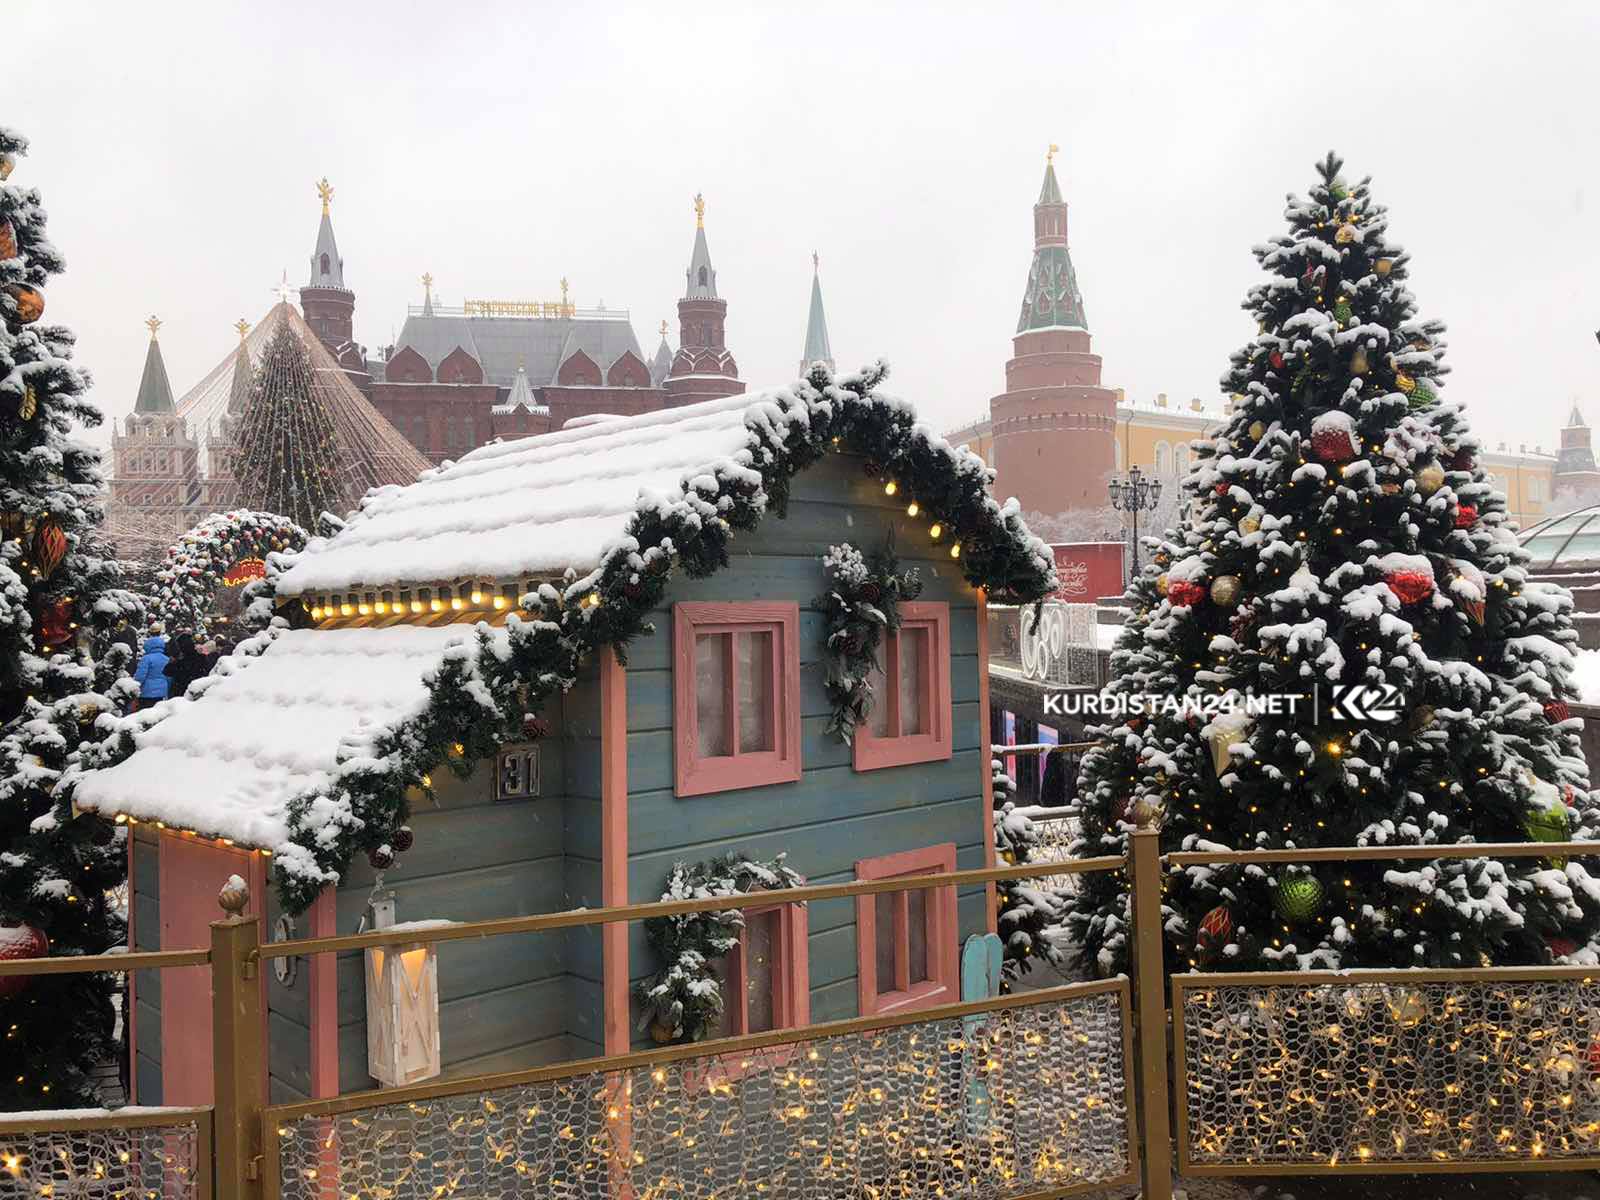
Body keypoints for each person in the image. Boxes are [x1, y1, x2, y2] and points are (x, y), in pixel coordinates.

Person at [131, 630, 171, 710]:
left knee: (145, 713)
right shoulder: (167, 659)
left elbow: (140, 676)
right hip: (162, 692)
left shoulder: (146, 658)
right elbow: (169, 677)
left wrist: (135, 688)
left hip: (146, 692)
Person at [162, 632, 205, 699]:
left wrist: (172, 661)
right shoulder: (201, 658)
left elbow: (166, 671)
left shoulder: (180, 661)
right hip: (197, 692)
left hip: (181, 694)